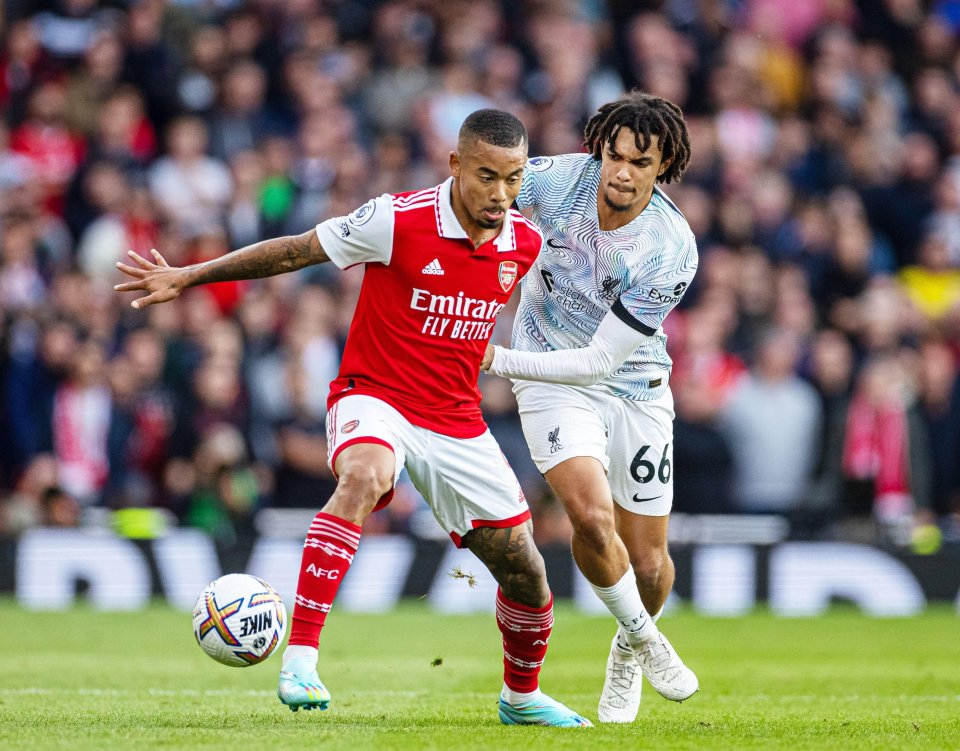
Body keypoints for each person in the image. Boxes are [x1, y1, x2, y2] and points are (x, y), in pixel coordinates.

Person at [115, 109, 590, 728]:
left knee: (526, 570)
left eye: (513, 178)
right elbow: (294, 251)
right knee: (365, 476)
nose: (500, 193)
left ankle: (521, 698)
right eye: (486, 176)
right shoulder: (397, 219)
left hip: (455, 418)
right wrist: (191, 275)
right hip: (376, 396)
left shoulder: (523, 242)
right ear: (455, 165)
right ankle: (301, 659)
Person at [480, 91, 699, 722]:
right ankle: (652, 643)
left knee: (651, 564)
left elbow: (601, 361)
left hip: (633, 385)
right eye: (614, 155)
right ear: (598, 149)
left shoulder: (670, 247)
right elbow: (474, 203)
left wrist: (494, 359)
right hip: (549, 378)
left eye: (641, 161)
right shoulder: (551, 182)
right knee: (590, 518)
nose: (622, 172)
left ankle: (628, 650)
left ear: (664, 167)